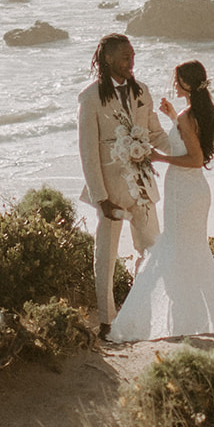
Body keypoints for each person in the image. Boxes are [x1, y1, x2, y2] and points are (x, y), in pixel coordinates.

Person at [107, 59, 214, 343]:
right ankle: (204, 317)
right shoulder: (199, 112)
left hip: (184, 193)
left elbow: (195, 159)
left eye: (177, 81)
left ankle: (183, 320)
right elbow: (191, 138)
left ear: (187, 84)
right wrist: (174, 117)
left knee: (177, 250)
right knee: (191, 251)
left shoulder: (189, 117)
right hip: (194, 192)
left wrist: (160, 156)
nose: (174, 84)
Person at [77, 33, 164, 337]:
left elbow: (155, 133)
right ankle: (106, 321)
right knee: (106, 257)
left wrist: (186, 148)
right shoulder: (90, 98)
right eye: (125, 57)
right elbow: (88, 152)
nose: (131, 62)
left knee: (154, 250)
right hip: (110, 193)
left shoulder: (142, 91)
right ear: (109, 59)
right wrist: (101, 199)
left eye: (133, 56)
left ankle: (148, 314)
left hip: (142, 189)